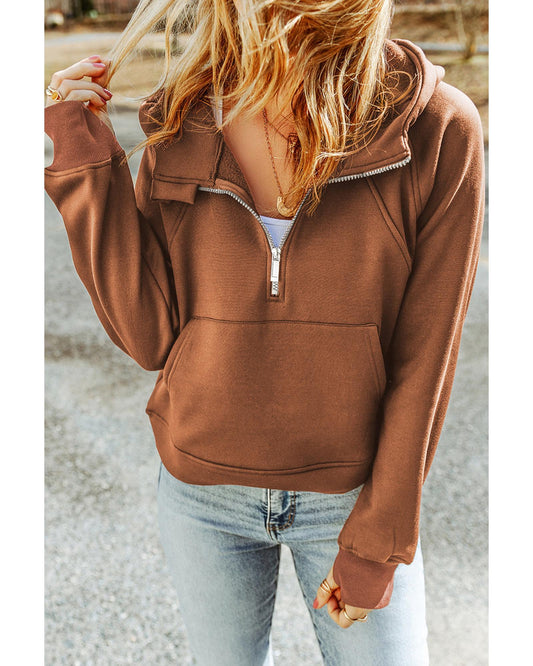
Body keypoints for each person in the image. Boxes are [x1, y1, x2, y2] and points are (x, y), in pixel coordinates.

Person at [44, 0, 485, 664]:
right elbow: (148, 334)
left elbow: (427, 359)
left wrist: (380, 541)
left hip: (350, 498)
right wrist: (84, 157)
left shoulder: (435, 127)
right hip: (202, 498)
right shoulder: (183, 118)